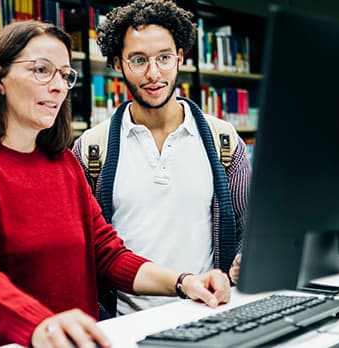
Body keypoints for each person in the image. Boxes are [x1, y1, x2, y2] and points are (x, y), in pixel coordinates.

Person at [0, 20, 231, 348]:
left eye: (64, 75)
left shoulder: (65, 162)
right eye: (41, 70)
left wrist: (185, 283)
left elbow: (107, 254)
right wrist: (41, 325)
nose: (57, 86)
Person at [72, 0, 250, 316]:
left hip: (205, 312)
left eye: (164, 58)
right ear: (118, 63)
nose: (154, 74)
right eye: (138, 60)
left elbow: (246, 230)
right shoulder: (89, 150)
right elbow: (89, 251)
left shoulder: (225, 143)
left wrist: (242, 262)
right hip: (123, 323)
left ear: (180, 57)